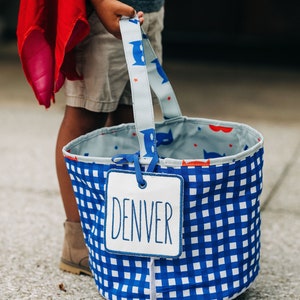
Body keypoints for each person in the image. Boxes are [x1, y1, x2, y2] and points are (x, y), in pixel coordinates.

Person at [56, 0, 165, 276]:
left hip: (150, 14)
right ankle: (78, 244)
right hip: (103, 18)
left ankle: (122, 234)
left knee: (131, 120)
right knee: (84, 116)